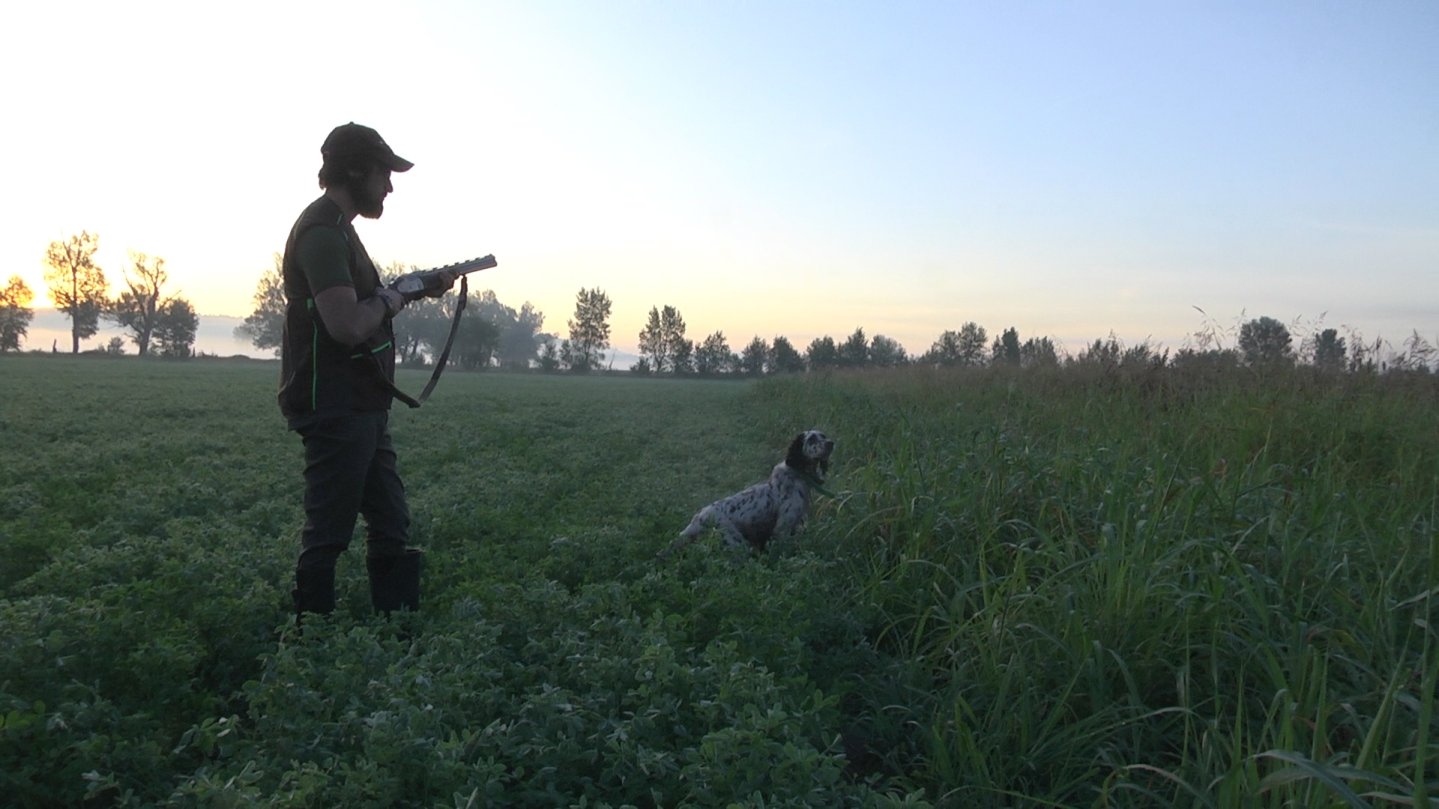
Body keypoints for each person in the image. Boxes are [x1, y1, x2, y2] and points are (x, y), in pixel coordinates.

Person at [278, 122, 454, 619]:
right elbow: (347, 325)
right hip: (335, 405)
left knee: (391, 522)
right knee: (328, 533)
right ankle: (310, 643)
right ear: (355, 171)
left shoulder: (341, 231)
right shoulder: (321, 234)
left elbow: (364, 304)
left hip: (362, 403)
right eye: (384, 173)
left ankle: (396, 635)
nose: (389, 186)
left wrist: (414, 289)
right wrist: (392, 298)